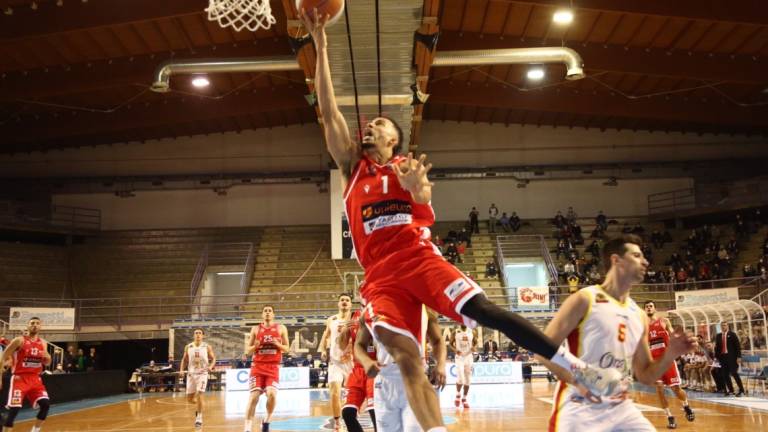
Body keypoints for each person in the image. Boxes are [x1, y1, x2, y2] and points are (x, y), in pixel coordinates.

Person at [299, 10, 613, 432]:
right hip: (380, 277)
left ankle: (573, 366)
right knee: (408, 357)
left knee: (487, 311)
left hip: (419, 258)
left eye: (377, 124)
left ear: (393, 140)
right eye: (368, 125)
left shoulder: (408, 169)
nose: (367, 127)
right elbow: (329, 109)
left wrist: (419, 190)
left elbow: (425, 197)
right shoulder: (353, 169)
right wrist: (320, 41)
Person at [537, 235, 697, 432]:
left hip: (620, 407)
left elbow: (646, 376)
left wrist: (670, 353)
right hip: (580, 408)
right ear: (616, 260)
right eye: (637, 255)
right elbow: (541, 349)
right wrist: (584, 381)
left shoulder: (639, 315)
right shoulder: (584, 299)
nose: (645, 261)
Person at [354, 306, 446, 432]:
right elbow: (359, 344)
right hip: (384, 381)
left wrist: (440, 365)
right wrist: (366, 361)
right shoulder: (370, 310)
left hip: (416, 379)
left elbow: (438, 340)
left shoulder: (425, 309)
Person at [644, 301, 694, 429]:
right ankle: (670, 417)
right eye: (647, 307)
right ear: (644, 310)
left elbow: (673, 334)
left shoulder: (664, 321)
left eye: (651, 306)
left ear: (655, 309)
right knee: (659, 388)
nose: (649, 308)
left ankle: (686, 406)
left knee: (676, 389)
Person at [0, 317, 52, 432]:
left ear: (40, 327)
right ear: (28, 326)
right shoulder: (19, 340)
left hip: (35, 379)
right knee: (14, 410)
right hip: (20, 378)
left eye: (37, 323)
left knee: (45, 404)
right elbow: (3, 356)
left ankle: (35, 430)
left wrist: (48, 358)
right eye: (32, 323)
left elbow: (47, 362)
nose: (35, 325)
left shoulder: (43, 343)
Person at [244, 305, 289, 432]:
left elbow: (287, 348)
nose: (267, 313)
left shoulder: (281, 328)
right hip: (257, 367)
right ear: (262, 315)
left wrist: (277, 344)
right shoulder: (255, 329)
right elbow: (247, 351)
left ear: (273, 314)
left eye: (270, 311)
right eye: (265, 311)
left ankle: (266, 420)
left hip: (273, 367)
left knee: (272, 395)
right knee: (254, 397)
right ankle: (247, 428)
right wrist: (255, 347)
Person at [318, 293, 355, 431]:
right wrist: (322, 349)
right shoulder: (331, 319)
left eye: (347, 300)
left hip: (351, 362)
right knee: (334, 392)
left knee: (351, 394)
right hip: (335, 361)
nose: (344, 302)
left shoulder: (355, 318)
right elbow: (326, 334)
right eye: (342, 300)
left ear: (351, 304)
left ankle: (350, 417)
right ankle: (337, 422)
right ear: (338, 303)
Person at [338, 308, 377, 432]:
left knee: (375, 412)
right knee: (347, 413)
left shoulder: (381, 310)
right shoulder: (354, 315)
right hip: (358, 369)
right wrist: (344, 331)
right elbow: (342, 345)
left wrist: (371, 327)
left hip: (376, 368)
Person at [180, 328, 216, 428]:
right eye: (196, 333)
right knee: (190, 399)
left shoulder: (207, 346)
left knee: (200, 393)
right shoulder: (188, 346)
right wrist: (181, 370)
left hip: (202, 373)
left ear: (203, 335)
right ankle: (200, 405)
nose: (198, 335)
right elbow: (184, 359)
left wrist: (210, 366)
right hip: (191, 374)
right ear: (193, 335)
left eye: (200, 333)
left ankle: (199, 417)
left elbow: (213, 359)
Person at [714, 321, 745, 396]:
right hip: (722, 357)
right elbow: (717, 348)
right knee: (725, 375)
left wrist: (739, 357)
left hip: (732, 357)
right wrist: (716, 358)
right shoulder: (718, 336)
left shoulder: (732, 334)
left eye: (725, 325)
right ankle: (731, 390)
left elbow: (737, 346)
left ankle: (741, 390)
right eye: (722, 326)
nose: (723, 327)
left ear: (727, 326)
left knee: (734, 373)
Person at [450, 325, 477, 409]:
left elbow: (475, 343)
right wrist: (455, 350)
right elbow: (450, 344)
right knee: (461, 378)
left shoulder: (472, 331)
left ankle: (464, 399)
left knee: (468, 380)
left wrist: (474, 348)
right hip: (459, 357)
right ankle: (458, 394)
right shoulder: (455, 331)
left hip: (469, 357)